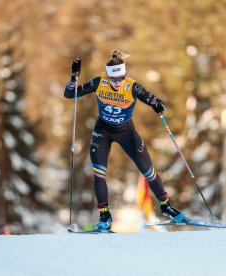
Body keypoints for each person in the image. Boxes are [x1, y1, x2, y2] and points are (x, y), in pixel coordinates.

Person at [64, 49, 185, 230]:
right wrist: (74, 76)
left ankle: (166, 206)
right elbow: (70, 94)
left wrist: (158, 105)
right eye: (114, 79)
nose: (118, 82)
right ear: (108, 76)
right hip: (102, 131)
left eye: (121, 78)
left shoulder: (132, 87)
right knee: (99, 173)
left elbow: (151, 99)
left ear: (125, 75)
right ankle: (104, 215)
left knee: (148, 171)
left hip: (126, 131)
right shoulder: (99, 83)